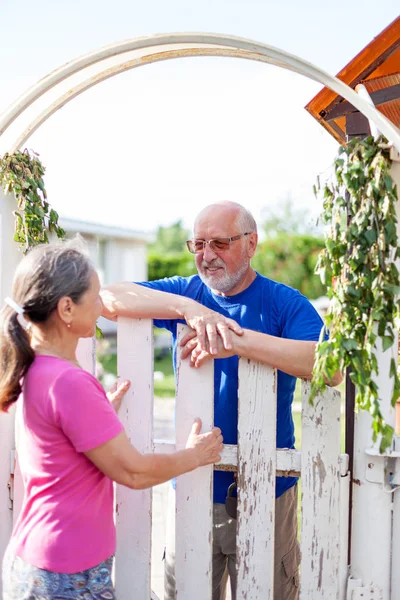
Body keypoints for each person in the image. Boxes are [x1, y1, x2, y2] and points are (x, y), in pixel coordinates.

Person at [101, 200, 342, 600]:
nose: (206, 255)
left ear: (251, 244)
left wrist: (235, 341)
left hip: (269, 490)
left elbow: (329, 367)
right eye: (197, 244)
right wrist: (187, 308)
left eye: (219, 243)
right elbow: (107, 299)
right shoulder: (187, 293)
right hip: (192, 485)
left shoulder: (284, 302)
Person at [0, 242, 224, 600]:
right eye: (94, 294)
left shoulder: (37, 369)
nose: (102, 303)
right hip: (65, 573)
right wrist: (193, 456)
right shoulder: (69, 382)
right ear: (67, 308)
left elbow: (61, 442)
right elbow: (134, 472)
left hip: (38, 561)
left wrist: (98, 412)